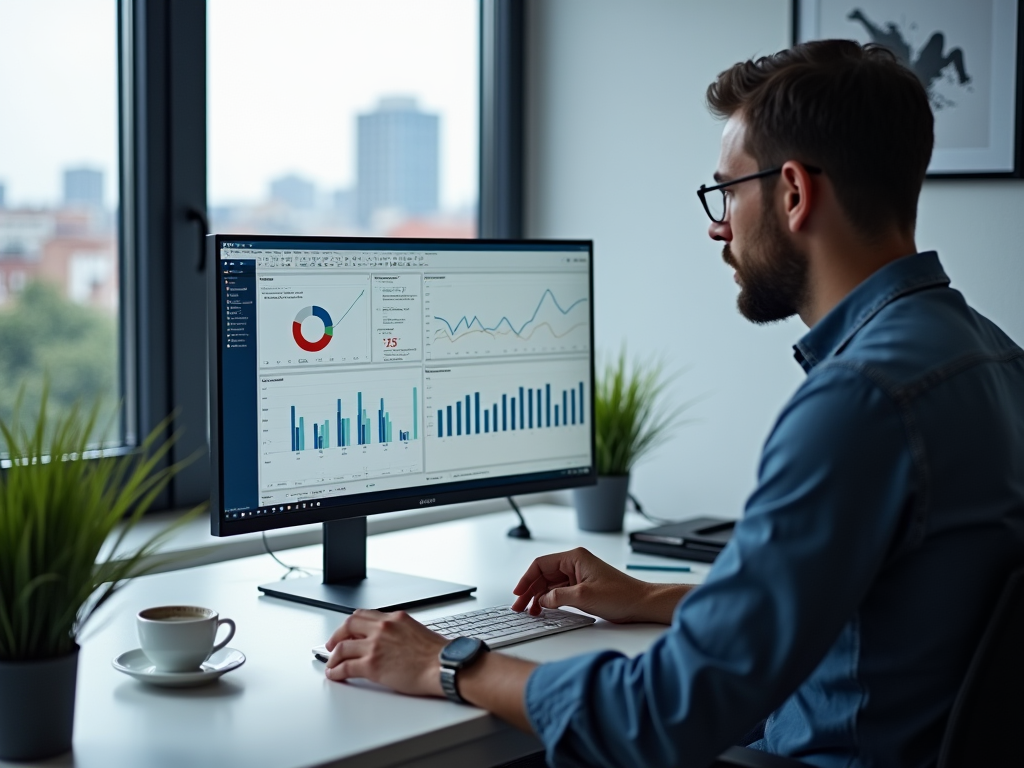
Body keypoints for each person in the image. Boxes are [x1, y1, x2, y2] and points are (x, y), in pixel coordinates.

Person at [321, 40, 1024, 768]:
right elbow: (862, 610)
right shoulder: (992, 357)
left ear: (792, 193)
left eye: (727, 192)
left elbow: (663, 716)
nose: (718, 226)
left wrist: (449, 664)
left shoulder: (858, 403)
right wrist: (648, 597)